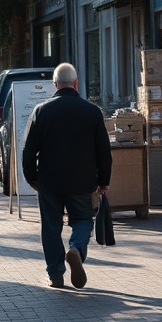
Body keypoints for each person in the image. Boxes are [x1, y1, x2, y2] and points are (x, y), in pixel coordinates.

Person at [21, 63, 112, 289]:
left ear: (55, 85)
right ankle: (76, 249)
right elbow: (104, 151)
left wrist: (32, 178)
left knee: (51, 226)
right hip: (82, 181)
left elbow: (29, 150)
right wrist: (103, 181)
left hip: (49, 181)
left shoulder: (41, 111)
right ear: (75, 83)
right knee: (82, 220)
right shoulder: (92, 112)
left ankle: (56, 275)